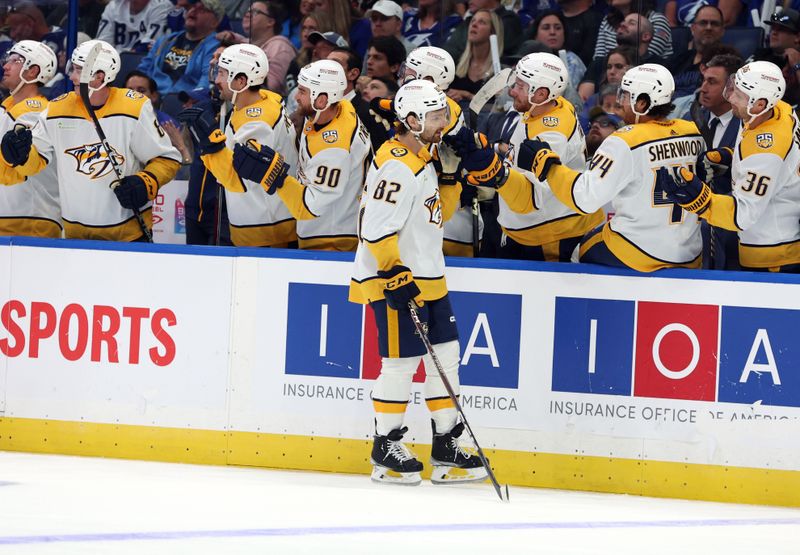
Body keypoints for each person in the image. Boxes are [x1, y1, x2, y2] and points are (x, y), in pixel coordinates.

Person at [349, 79, 487, 486]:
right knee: (401, 364)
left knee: (445, 361)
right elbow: (375, 229)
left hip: (429, 277)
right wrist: (392, 271)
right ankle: (385, 446)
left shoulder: (425, 157)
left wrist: (448, 178)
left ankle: (446, 443)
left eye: (443, 114)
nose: (442, 122)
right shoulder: (396, 163)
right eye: (434, 116)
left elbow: (436, 217)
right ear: (410, 120)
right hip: (394, 278)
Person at [517, 64, 705, 271]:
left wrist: (548, 166)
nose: (618, 101)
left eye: (624, 95)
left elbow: (585, 198)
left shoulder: (625, 140)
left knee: (578, 252)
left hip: (639, 251)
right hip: (688, 253)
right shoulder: (692, 131)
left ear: (641, 103)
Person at [0, 40, 181, 241]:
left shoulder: (134, 108)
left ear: (100, 76)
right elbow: (34, 165)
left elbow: (167, 158)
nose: (71, 76)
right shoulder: (57, 109)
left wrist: (145, 182)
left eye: (78, 70)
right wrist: (19, 156)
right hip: (75, 236)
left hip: (128, 235)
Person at [660, 61, 800, 273]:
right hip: (771, 237)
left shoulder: (766, 151)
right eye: (734, 89)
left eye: (739, 96)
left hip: (772, 256)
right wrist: (730, 156)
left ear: (760, 103)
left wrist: (701, 201)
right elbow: (776, 162)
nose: (731, 98)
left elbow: (742, 215)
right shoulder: (778, 108)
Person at [470, 53, 604, 262]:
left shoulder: (551, 134)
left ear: (541, 93)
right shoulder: (548, 104)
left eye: (520, 87)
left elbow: (530, 197)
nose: (512, 91)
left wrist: (494, 174)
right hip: (535, 227)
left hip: (551, 232)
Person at [230, 59, 371, 251]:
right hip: (325, 232)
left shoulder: (334, 149)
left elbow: (311, 207)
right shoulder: (334, 110)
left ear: (321, 100)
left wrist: (275, 177)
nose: (296, 97)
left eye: (303, 91)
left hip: (331, 240)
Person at [179, 44, 298, 247]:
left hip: (266, 231)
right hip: (261, 225)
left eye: (223, 74)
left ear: (241, 81)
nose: (216, 80)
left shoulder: (258, 122)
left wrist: (211, 145)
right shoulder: (260, 102)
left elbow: (239, 179)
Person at [0, 41, 61, 238]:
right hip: (12, 216)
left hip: (31, 219)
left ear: (33, 71)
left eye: (15, 60)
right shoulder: (9, 107)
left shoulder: (36, 111)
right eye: (7, 60)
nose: (5, 66)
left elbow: (16, 169)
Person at [137, 0, 222, 95]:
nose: (193, 11)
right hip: (151, 97)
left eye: (202, 10)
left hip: (184, 101)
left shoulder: (216, 47)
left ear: (214, 22)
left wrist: (192, 99)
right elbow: (142, 71)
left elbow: (206, 82)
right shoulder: (165, 40)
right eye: (191, 7)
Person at [217, 1, 297, 95]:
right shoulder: (249, 42)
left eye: (255, 12)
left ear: (270, 22)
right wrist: (231, 36)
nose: (247, 15)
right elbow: (242, 40)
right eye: (247, 11)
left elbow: (271, 87)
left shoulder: (279, 46)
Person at [328, 46, 390, 151]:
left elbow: (379, 155)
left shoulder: (368, 114)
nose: (325, 69)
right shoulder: (314, 108)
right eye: (324, 63)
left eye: (334, 64)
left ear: (353, 74)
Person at [668, 6, 725, 101]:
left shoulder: (727, 62)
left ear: (722, 31)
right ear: (693, 29)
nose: (709, 27)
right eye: (703, 23)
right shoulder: (680, 59)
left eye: (714, 24)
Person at [448, 9, 504, 105]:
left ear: (493, 32)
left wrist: (468, 95)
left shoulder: (501, 71)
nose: (474, 25)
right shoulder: (454, 64)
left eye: (482, 22)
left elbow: (501, 107)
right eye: (473, 21)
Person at [442, 0, 523, 60]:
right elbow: (449, 52)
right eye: (474, 21)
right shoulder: (467, 22)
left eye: (482, 22)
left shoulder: (508, 21)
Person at [530, 10, 586, 88]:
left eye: (558, 28)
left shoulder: (572, 61)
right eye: (546, 28)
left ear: (564, 35)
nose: (552, 32)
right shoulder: (527, 59)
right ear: (535, 36)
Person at [95, 0, 173, 53]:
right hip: (113, 60)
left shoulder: (161, 5)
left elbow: (150, 46)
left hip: (142, 62)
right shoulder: (114, 5)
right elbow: (102, 43)